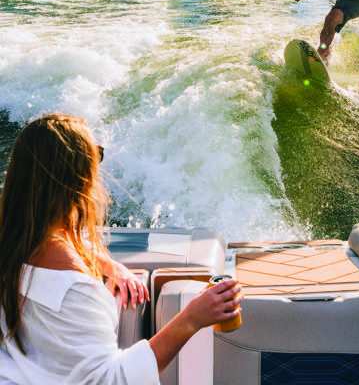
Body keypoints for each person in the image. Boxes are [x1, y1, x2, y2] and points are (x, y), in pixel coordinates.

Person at [0, 113, 242, 384]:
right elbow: (111, 379)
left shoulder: (12, 245)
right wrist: (191, 319)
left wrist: (107, 263)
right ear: (78, 179)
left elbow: (58, 242)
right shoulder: (76, 291)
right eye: (97, 154)